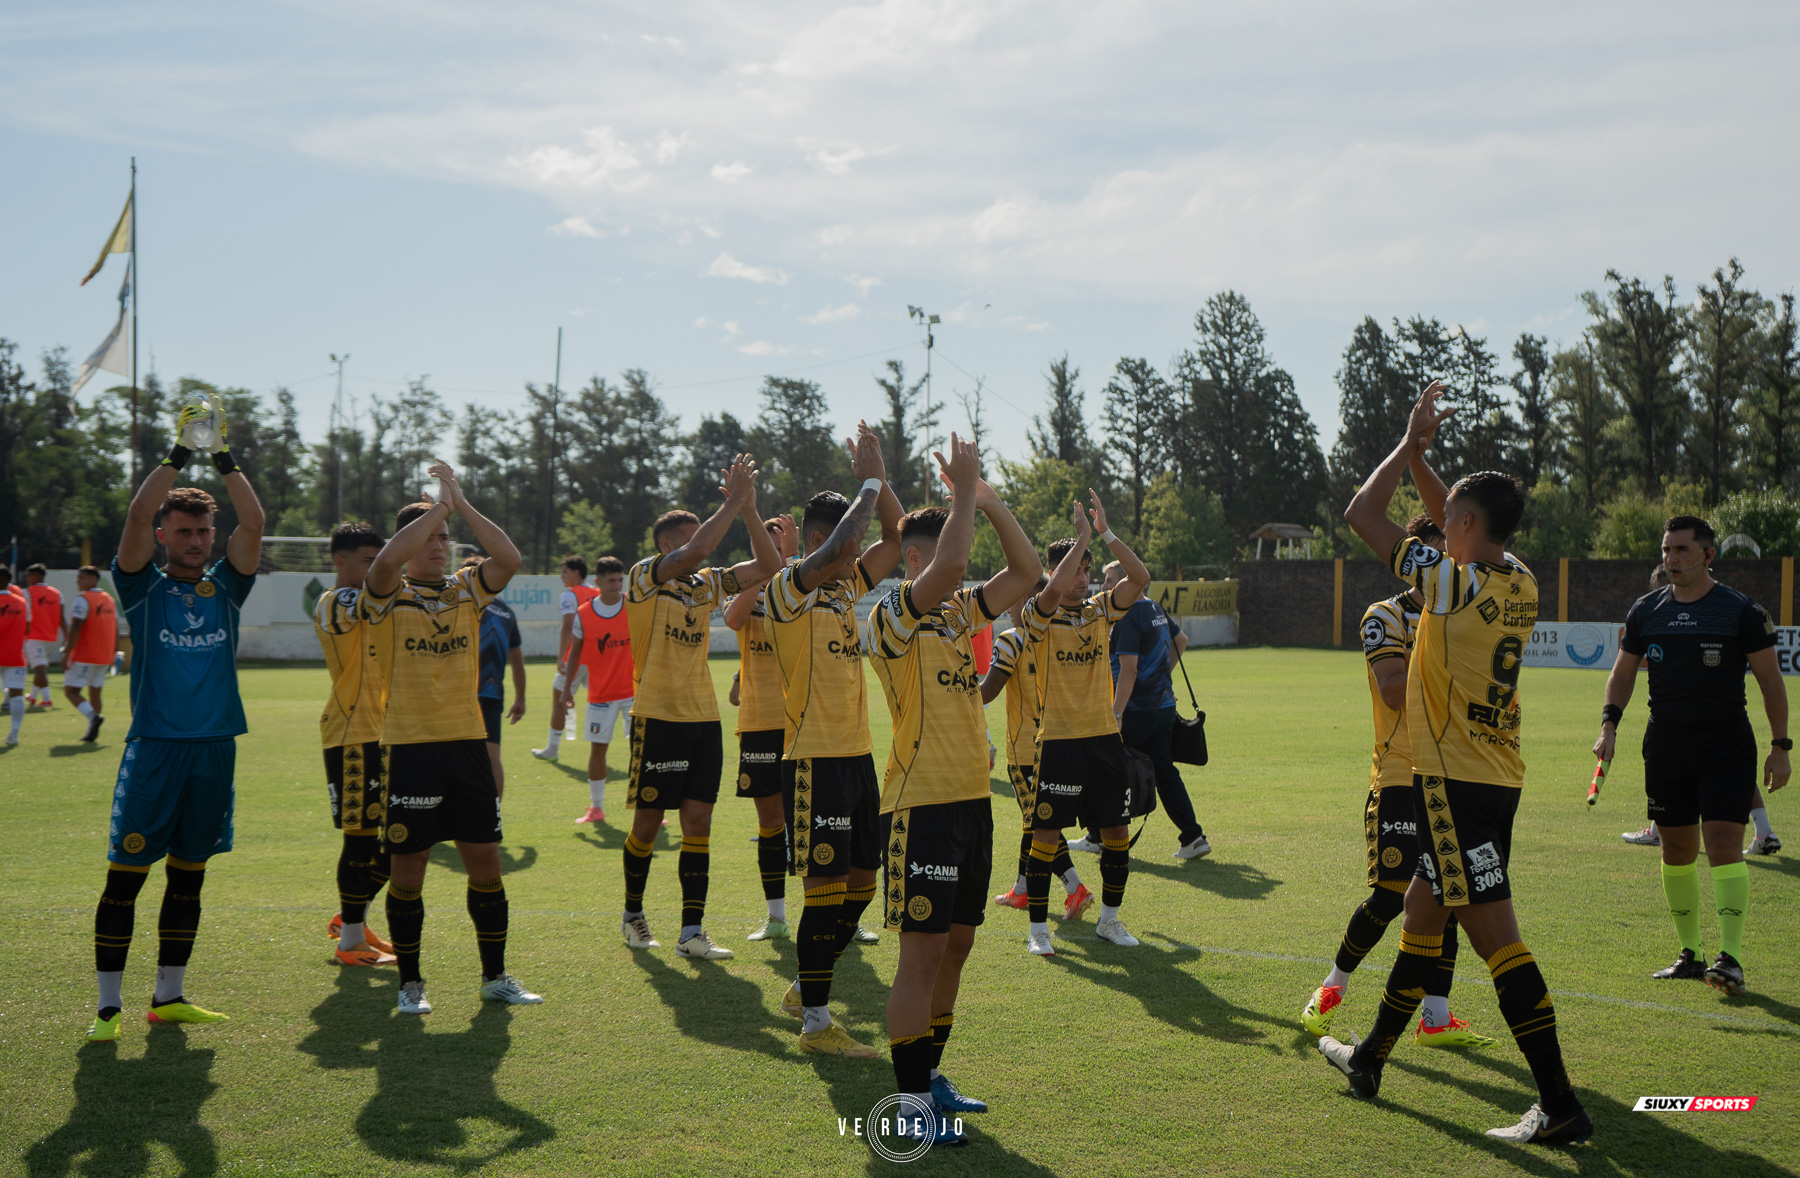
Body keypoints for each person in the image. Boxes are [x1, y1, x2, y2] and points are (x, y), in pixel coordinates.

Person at [1321, 380, 1590, 1145]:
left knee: (1496, 938)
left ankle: (1561, 1104)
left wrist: (1407, 448)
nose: (1440, 526)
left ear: (1461, 526)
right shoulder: (1521, 579)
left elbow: (1359, 516)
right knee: (1421, 911)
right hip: (1497, 774)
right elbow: (1458, 515)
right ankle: (1369, 1057)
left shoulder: (1448, 585)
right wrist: (1431, 467)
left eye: (1448, 521)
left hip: (1454, 784)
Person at [870, 435, 1042, 1143]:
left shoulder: (956, 613)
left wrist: (992, 501)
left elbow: (1027, 571)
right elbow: (959, 563)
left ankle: (931, 1078)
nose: (955, 559)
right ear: (915, 560)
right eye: (941, 549)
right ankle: (909, 1106)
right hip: (921, 805)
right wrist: (965, 493)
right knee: (923, 953)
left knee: (959, 943)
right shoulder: (895, 615)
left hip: (972, 801)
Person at [86, 404, 263, 1041]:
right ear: (165, 535)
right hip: (157, 749)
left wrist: (223, 453)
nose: (195, 541)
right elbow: (136, 513)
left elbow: (256, 520)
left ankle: (170, 996)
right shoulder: (140, 588)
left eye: (202, 532)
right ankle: (108, 1008)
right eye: (183, 531)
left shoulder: (228, 588)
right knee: (126, 879)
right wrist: (179, 450)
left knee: (190, 875)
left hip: (216, 750)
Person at [1302, 514, 1496, 1050]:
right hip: (1399, 774)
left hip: (1455, 773)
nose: (1439, 564)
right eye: (1429, 554)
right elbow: (1392, 691)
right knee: (1391, 894)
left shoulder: (1462, 615)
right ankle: (1330, 988)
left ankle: (1436, 1017)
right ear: (1412, 558)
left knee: (1447, 893)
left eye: (1446, 555)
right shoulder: (1383, 615)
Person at [364, 460, 541, 1015]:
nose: (440, 544)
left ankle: (495, 977)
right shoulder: (385, 593)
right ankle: (411, 984)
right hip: (412, 749)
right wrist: (437, 507)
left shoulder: (467, 589)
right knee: (409, 868)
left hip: (467, 746)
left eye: (445, 537)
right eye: (431, 536)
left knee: (485, 863)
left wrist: (459, 503)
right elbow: (389, 558)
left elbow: (509, 559)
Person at [1593, 515, 1789, 996]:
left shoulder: (1741, 611)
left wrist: (1780, 747)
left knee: (1722, 843)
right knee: (1676, 850)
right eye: (1666, 550)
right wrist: (1609, 724)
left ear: (1708, 555)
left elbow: (1770, 681)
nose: (1671, 559)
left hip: (1725, 745)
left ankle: (1731, 957)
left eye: (1681, 550)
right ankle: (1690, 954)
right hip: (1666, 745)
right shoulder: (1646, 610)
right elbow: (1622, 673)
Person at [765, 423, 904, 1057]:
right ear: (820, 542)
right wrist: (867, 483)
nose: (859, 557)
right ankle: (817, 1024)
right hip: (812, 761)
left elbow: (897, 538)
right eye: (847, 546)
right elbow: (850, 543)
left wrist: (882, 477)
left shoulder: (847, 584)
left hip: (856, 757)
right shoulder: (788, 588)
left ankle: (805, 983)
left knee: (863, 883)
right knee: (821, 892)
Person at [619, 455, 782, 961]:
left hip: (703, 719)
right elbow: (700, 549)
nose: (701, 545)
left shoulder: (705, 584)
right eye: (688, 538)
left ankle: (692, 932)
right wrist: (732, 502)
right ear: (667, 545)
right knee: (648, 825)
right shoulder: (644, 578)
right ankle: (632, 915)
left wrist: (750, 510)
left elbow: (770, 568)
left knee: (698, 823)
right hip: (656, 715)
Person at [1018, 492, 1151, 956]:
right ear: (1056, 571)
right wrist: (1079, 539)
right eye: (1076, 569)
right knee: (1046, 837)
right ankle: (1038, 930)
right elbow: (1051, 593)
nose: (1083, 578)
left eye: (1088, 571)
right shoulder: (1037, 612)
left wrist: (1106, 533)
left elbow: (1141, 577)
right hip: (1059, 742)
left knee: (1115, 834)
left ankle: (1109, 921)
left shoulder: (1099, 609)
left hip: (1103, 740)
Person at [1073, 560, 1208, 860]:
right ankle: (1193, 836)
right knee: (1164, 772)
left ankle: (1098, 836)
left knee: (1106, 769)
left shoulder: (1128, 614)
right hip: (1162, 706)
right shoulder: (1155, 608)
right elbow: (1180, 641)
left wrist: (1117, 713)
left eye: (1110, 581)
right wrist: (1161, 678)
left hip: (1134, 710)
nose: (1105, 586)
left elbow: (1129, 671)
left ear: (1127, 583)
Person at [312, 521, 396, 967]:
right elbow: (367, 604)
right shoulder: (334, 601)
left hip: (388, 732)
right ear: (339, 561)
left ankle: (352, 919)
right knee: (361, 840)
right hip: (352, 735)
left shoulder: (377, 599)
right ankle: (349, 939)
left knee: (400, 838)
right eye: (370, 561)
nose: (376, 570)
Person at [983, 578, 1092, 918]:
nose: (1008, 606)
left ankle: (1075, 887)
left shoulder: (1012, 639)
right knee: (1035, 822)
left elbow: (988, 691)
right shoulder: (1061, 636)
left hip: (1027, 753)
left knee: (1042, 824)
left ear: (1029, 600)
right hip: (1064, 746)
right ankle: (1021, 889)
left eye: (1014, 598)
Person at [722, 516, 801, 940]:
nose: (771, 551)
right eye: (763, 545)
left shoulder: (802, 579)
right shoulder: (742, 585)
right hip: (758, 720)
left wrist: (788, 563)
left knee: (813, 818)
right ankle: (775, 917)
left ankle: (839, 914)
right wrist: (767, 567)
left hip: (805, 719)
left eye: (777, 543)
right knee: (770, 821)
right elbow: (734, 620)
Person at [562, 556, 632, 824]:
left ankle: (644, 805)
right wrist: (567, 690)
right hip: (601, 694)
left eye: (619, 579)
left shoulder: (633, 606)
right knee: (598, 750)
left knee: (641, 749)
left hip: (634, 693)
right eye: (611, 580)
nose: (617, 585)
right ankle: (596, 807)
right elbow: (575, 654)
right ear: (597, 582)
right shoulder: (584, 613)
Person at [465, 555, 527, 797]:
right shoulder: (507, 612)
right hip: (492, 695)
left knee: (448, 754)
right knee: (492, 758)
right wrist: (520, 698)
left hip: (460, 692)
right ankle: (494, 815)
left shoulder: (461, 604)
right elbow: (518, 663)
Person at [534, 556, 598, 761]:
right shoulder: (598, 593)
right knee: (603, 703)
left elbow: (568, 626)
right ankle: (600, 751)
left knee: (558, 700)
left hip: (576, 658)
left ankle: (552, 749)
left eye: (564, 571)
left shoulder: (569, 595)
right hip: (599, 657)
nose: (561, 576)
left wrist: (561, 656)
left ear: (576, 572)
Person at [62, 565, 118, 743]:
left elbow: (76, 627)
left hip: (84, 654)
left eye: (82, 577)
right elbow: (115, 627)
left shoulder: (83, 599)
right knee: (95, 692)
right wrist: (113, 650)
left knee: (71, 691)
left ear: (94, 579)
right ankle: (91, 731)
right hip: (103, 655)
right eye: (78, 578)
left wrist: (67, 652)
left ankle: (93, 717)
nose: (79, 581)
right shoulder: (109, 599)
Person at [23, 563, 63, 709]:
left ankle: (47, 699)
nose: (27, 578)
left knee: (39, 669)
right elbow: (62, 617)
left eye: (29, 575)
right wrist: (65, 636)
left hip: (35, 637)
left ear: (38, 576)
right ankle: (33, 697)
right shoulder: (57, 593)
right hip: (52, 638)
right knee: (41, 669)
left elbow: (22, 615)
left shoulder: (27, 593)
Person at [0, 565, 28, 747]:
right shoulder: (22, 602)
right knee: (17, 695)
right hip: (15, 655)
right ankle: (14, 735)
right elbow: (28, 628)